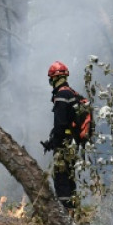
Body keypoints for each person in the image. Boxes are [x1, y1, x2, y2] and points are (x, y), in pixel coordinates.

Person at [40, 60, 83, 210]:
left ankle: (66, 212)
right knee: (70, 178)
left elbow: (60, 125)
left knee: (61, 178)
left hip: (64, 145)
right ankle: (74, 210)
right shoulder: (73, 93)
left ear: (54, 78)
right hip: (73, 143)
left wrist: (54, 143)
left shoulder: (61, 95)